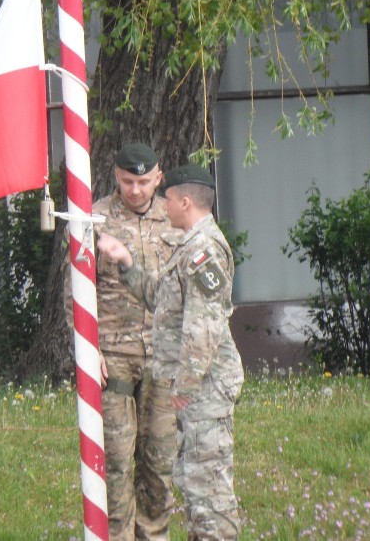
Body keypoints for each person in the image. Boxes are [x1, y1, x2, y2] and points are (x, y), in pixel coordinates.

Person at [97, 163, 244, 541]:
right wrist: (126, 263)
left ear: (184, 201)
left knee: (208, 489)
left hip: (204, 391)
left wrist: (186, 384)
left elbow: (205, 324)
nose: (162, 207)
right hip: (195, 392)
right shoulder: (189, 248)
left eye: (166, 199)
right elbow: (163, 300)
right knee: (195, 485)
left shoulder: (203, 251)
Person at [63, 142, 181, 540]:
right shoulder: (94, 219)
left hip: (164, 359)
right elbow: (75, 292)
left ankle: (154, 534)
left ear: (159, 178)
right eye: (128, 181)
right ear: (116, 177)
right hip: (113, 359)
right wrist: (88, 349)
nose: (135, 190)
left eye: (144, 182)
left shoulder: (176, 217)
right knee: (114, 463)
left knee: (160, 461)